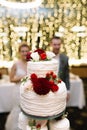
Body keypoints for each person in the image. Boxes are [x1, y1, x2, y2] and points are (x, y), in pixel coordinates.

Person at [5, 43, 30, 130]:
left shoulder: (31, 63)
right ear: (19, 52)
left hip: (30, 91)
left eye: (26, 51)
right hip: (18, 91)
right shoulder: (16, 64)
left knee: (29, 110)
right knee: (18, 110)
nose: (24, 53)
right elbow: (11, 79)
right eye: (22, 51)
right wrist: (21, 78)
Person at [51, 36, 70, 101]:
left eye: (58, 44)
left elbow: (66, 76)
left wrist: (68, 91)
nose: (57, 47)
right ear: (51, 44)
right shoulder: (45, 57)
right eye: (55, 44)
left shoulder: (65, 58)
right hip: (48, 89)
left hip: (61, 89)